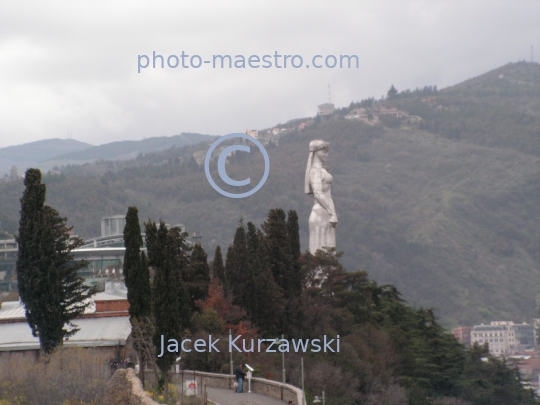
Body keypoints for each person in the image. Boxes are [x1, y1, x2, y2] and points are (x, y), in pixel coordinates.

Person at [305, 139, 338, 253]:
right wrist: (332, 212)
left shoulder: (321, 171)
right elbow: (318, 193)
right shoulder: (315, 172)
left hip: (325, 212)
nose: (326, 154)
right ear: (316, 151)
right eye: (324, 151)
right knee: (320, 251)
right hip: (320, 213)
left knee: (329, 253)